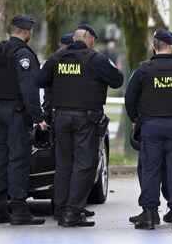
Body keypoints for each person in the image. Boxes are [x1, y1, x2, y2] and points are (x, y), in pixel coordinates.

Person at [36, 24, 123, 227]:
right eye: (94, 39)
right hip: (85, 120)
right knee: (85, 165)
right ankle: (73, 212)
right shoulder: (95, 59)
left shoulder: (57, 58)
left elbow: (39, 80)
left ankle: (60, 209)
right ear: (89, 39)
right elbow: (117, 80)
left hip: (61, 119)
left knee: (64, 164)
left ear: (75, 39)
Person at [124, 29, 172, 230]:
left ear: (154, 46)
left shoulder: (143, 70)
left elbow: (130, 98)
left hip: (151, 126)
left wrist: (135, 120)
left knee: (150, 169)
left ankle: (149, 214)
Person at [0, 14, 47, 225]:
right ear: (26, 31)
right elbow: (28, 88)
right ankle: (19, 210)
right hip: (16, 112)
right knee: (18, 159)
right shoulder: (23, 54)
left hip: (1, 110)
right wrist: (38, 117)